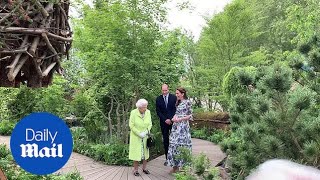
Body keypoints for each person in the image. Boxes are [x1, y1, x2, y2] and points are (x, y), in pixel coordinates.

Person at [166, 87, 193, 173]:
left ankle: (184, 168)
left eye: (177, 93)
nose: (176, 95)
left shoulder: (188, 102)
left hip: (183, 126)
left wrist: (180, 119)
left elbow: (190, 115)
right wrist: (173, 118)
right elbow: (177, 113)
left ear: (182, 94)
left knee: (182, 145)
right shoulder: (178, 102)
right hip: (176, 126)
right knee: (174, 144)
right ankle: (175, 167)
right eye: (176, 93)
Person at [129, 99, 152, 176]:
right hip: (136, 137)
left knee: (145, 153)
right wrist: (139, 133)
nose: (146, 108)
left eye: (146, 106)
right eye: (144, 107)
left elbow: (150, 124)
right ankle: (135, 170)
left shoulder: (148, 112)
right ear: (139, 107)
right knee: (136, 153)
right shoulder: (133, 113)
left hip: (145, 136)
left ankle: (144, 168)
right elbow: (131, 125)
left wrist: (146, 131)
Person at [156, 84, 177, 161]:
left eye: (165, 90)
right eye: (163, 90)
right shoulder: (158, 99)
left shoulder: (174, 98)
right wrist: (165, 119)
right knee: (165, 140)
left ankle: (174, 156)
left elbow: (176, 109)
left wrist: (171, 119)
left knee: (174, 139)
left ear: (168, 89)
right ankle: (167, 158)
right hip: (163, 122)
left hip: (173, 122)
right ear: (161, 90)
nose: (164, 92)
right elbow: (158, 112)